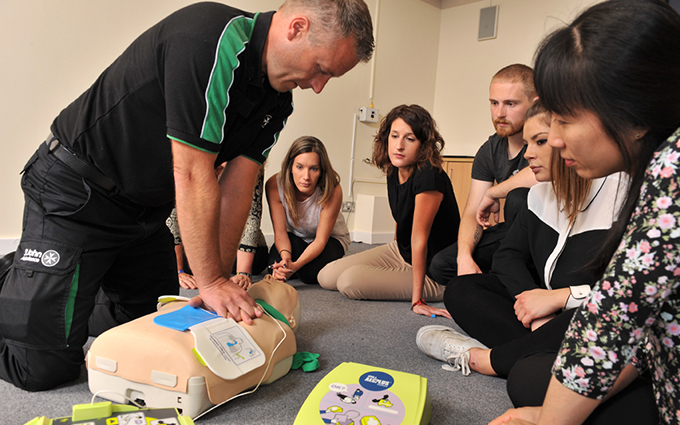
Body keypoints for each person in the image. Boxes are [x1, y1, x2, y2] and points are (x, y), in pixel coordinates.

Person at [0, 0, 374, 391]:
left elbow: (237, 188)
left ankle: (46, 289)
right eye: (321, 69)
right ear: (296, 28)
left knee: (152, 326)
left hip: (142, 215)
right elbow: (193, 173)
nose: (318, 86)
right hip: (75, 195)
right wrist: (210, 282)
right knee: (41, 368)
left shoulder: (278, 102)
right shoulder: (212, 39)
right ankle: (21, 281)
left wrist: (220, 278)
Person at [490, 1, 680, 424]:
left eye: (565, 119)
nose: (554, 141)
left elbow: (612, 321)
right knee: (538, 384)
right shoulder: (651, 168)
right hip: (647, 359)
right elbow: (637, 329)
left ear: (634, 110)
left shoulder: (673, 168)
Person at [416, 101, 624, 379]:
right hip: (544, 314)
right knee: (461, 288)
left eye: (540, 142)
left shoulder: (620, 197)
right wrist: (534, 305)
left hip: (584, 312)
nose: (528, 154)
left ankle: (484, 358)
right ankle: (541, 356)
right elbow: (506, 257)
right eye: (527, 144)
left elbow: (624, 295)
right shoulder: (538, 196)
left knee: (528, 380)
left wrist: (557, 300)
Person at [318, 104, 460, 318]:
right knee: (326, 276)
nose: (399, 146)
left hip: (434, 272)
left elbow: (419, 239)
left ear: (423, 145)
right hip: (402, 252)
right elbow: (402, 218)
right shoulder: (394, 169)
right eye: (394, 136)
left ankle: (433, 290)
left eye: (409, 139)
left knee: (349, 282)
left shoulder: (429, 176)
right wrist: (394, 252)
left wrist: (417, 300)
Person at [429, 64, 539, 285]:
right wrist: (464, 258)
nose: (499, 113)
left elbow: (543, 174)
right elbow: (472, 212)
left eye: (511, 104)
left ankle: (518, 280)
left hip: (545, 237)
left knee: (518, 199)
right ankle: (502, 281)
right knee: (442, 265)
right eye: (494, 103)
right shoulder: (490, 149)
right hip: (513, 235)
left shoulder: (548, 137)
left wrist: (495, 191)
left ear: (535, 104)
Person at [168, 166, 269, 290]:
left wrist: (243, 273)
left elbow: (252, 218)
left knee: (257, 261)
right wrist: (178, 270)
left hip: (239, 250)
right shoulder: (186, 163)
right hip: (196, 248)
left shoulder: (251, 166)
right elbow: (173, 216)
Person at [266, 136, 350, 284]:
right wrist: (286, 261)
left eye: (313, 169)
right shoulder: (275, 185)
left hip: (331, 239)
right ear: (290, 167)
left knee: (308, 274)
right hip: (297, 236)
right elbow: (280, 233)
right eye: (299, 167)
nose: (306, 177)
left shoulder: (332, 189)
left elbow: (320, 240)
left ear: (321, 171)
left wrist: (294, 267)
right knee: (273, 264)